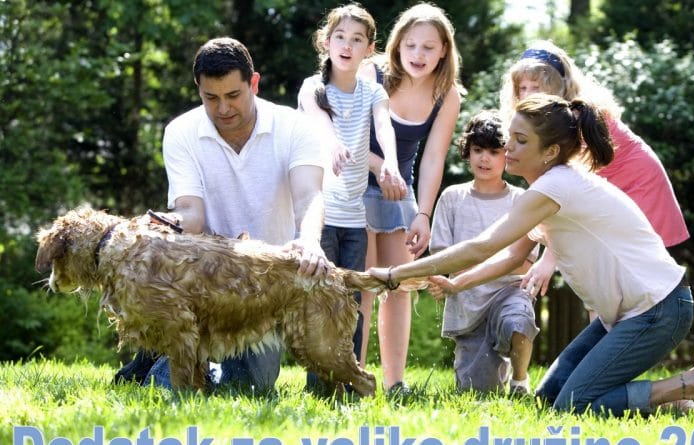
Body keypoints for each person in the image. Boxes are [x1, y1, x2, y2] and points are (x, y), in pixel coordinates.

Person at [369, 93, 694, 417]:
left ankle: (691, 382)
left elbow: (482, 245)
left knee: (576, 404)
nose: (509, 148)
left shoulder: (557, 186)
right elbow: (508, 257)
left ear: (550, 150)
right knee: (547, 403)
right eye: (511, 138)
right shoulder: (548, 187)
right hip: (628, 314)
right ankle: (688, 404)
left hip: (659, 309)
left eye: (520, 141)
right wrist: (456, 283)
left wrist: (393, 274)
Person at [115, 37, 331, 391]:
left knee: (250, 386)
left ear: (254, 84)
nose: (223, 109)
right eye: (210, 98)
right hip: (201, 279)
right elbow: (192, 215)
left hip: (265, 284)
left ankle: (179, 360)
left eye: (233, 96)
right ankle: (170, 358)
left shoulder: (295, 127)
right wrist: (163, 225)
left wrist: (308, 241)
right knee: (167, 387)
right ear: (198, 90)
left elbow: (309, 195)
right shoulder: (181, 132)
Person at [499, 40, 689, 303]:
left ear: (557, 87)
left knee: (629, 287)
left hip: (638, 188)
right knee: (605, 286)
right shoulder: (545, 124)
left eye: (537, 87)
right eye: (523, 88)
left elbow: (567, 192)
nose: (529, 95)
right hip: (609, 195)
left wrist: (548, 259)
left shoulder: (575, 119)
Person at [296, 3, 405, 393]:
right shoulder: (313, 87)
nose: (347, 45)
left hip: (354, 219)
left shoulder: (373, 91)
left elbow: (383, 125)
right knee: (320, 300)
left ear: (369, 49)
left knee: (352, 303)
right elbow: (319, 120)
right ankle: (319, 384)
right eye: (340, 37)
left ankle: (349, 381)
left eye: (357, 39)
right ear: (326, 42)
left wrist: (389, 162)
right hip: (319, 216)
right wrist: (334, 144)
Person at [356, 2, 462, 396]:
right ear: (397, 46)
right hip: (355, 184)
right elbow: (345, 140)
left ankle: (395, 382)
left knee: (397, 286)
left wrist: (423, 213)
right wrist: (383, 167)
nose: (418, 55)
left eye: (429, 47)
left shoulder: (446, 94)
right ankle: (356, 377)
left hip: (400, 192)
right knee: (363, 284)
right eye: (411, 45)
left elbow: (433, 157)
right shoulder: (373, 75)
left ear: (444, 52)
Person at [427, 110, 538, 395]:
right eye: (477, 150)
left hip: (509, 292)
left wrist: (484, 269)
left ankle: (520, 380)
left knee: (519, 322)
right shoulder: (452, 198)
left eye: (494, 151)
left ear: (507, 156)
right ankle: (489, 376)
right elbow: (442, 258)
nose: (484, 158)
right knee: (476, 395)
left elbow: (525, 264)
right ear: (467, 152)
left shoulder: (522, 200)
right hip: (467, 303)